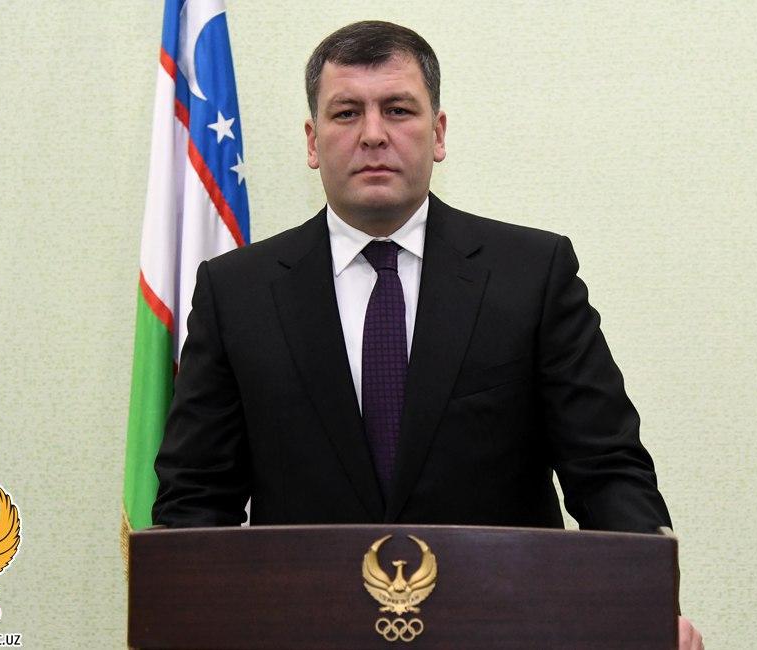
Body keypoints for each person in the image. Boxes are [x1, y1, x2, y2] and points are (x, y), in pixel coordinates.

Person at [152, 20, 702, 649]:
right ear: (312, 141)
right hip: (304, 633)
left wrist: (648, 604)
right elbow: (197, 495)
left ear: (438, 133)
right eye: (346, 113)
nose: (373, 134)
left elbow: (604, 469)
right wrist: (182, 621)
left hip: (503, 632)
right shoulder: (236, 292)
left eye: (398, 109)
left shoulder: (531, 274)